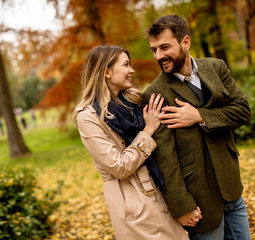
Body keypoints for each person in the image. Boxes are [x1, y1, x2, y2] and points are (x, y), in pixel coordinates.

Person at [142, 15, 252, 239]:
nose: (159, 55)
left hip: (231, 189)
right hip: (199, 202)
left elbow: (242, 111)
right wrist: (182, 206)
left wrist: (199, 116)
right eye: (154, 50)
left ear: (185, 42)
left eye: (164, 47)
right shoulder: (156, 93)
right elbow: (166, 160)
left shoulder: (216, 68)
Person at [74, 45, 189, 240]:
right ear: (107, 72)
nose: (131, 70)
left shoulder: (133, 102)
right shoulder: (87, 117)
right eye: (126, 65)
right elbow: (119, 166)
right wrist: (148, 130)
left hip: (158, 189)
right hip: (131, 200)